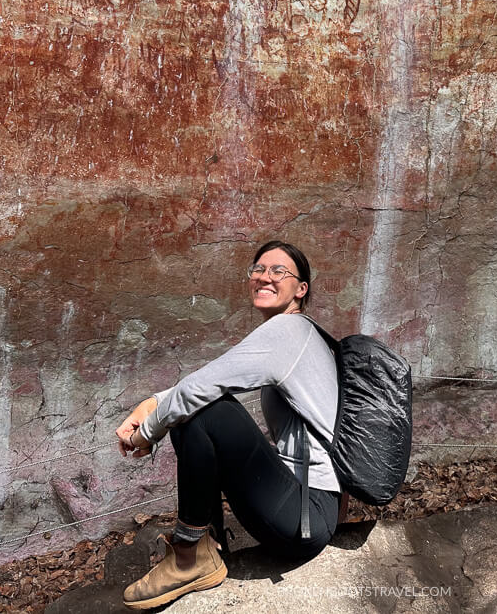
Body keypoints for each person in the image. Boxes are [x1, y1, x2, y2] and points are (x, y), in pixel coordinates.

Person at [115, 240, 341, 610]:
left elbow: (200, 390)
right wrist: (153, 403)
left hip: (306, 517)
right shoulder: (300, 334)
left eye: (278, 271)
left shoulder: (289, 332)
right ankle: (207, 546)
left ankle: (190, 554)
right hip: (306, 511)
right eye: (259, 269)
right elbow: (207, 380)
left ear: (301, 289)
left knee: (205, 412)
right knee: (197, 406)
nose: (265, 277)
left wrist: (146, 432)